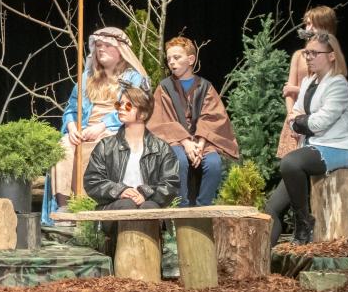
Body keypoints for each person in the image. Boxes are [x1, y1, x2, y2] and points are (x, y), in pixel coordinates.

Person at [42, 27, 148, 226]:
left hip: (117, 128)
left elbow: (132, 105)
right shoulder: (87, 78)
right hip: (84, 128)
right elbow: (71, 108)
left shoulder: (133, 78)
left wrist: (102, 126)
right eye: (99, 45)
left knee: (97, 148)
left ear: (120, 50)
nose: (101, 49)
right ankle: (64, 207)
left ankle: (90, 206)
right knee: (63, 146)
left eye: (107, 45)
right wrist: (72, 126)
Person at [265, 31, 348, 246]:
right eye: (307, 53)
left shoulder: (338, 84)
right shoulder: (307, 81)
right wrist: (300, 121)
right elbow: (294, 115)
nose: (308, 57)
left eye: (315, 53)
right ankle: (260, 261)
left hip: (337, 148)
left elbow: (318, 123)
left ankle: (304, 223)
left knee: (290, 162)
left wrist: (300, 121)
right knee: (272, 208)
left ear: (332, 56)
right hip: (311, 146)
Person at [147, 36, 239, 207]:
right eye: (169, 59)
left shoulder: (205, 87)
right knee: (179, 161)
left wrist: (201, 143)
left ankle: (202, 207)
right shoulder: (164, 87)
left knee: (214, 164)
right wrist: (185, 141)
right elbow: (161, 120)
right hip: (174, 140)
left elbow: (212, 116)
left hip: (202, 141)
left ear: (190, 59)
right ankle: (181, 207)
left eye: (177, 57)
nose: (172, 63)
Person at [83, 85, 180, 235]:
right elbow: (92, 181)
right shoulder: (105, 146)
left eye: (128, 105)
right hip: (115, 207)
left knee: (149, 208)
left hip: (148, 204)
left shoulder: (161, 148)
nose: (121, 108)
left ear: (143, 113)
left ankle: (151, 255)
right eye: (119, 104)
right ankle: (120, 254)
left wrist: (145, 193)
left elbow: (171, 184)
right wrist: (120, 190)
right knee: (126, 205)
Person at [278, 6, 338, 159]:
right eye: (307, 24)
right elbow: (288, 92)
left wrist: (296, 89)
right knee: (290, 166)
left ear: (325, 26)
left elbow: (327, 90)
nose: (308, 28)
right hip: (296, 116)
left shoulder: (331, 56)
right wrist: (292, 116)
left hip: (317, 118)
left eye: (313, 24)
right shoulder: (299, 55)